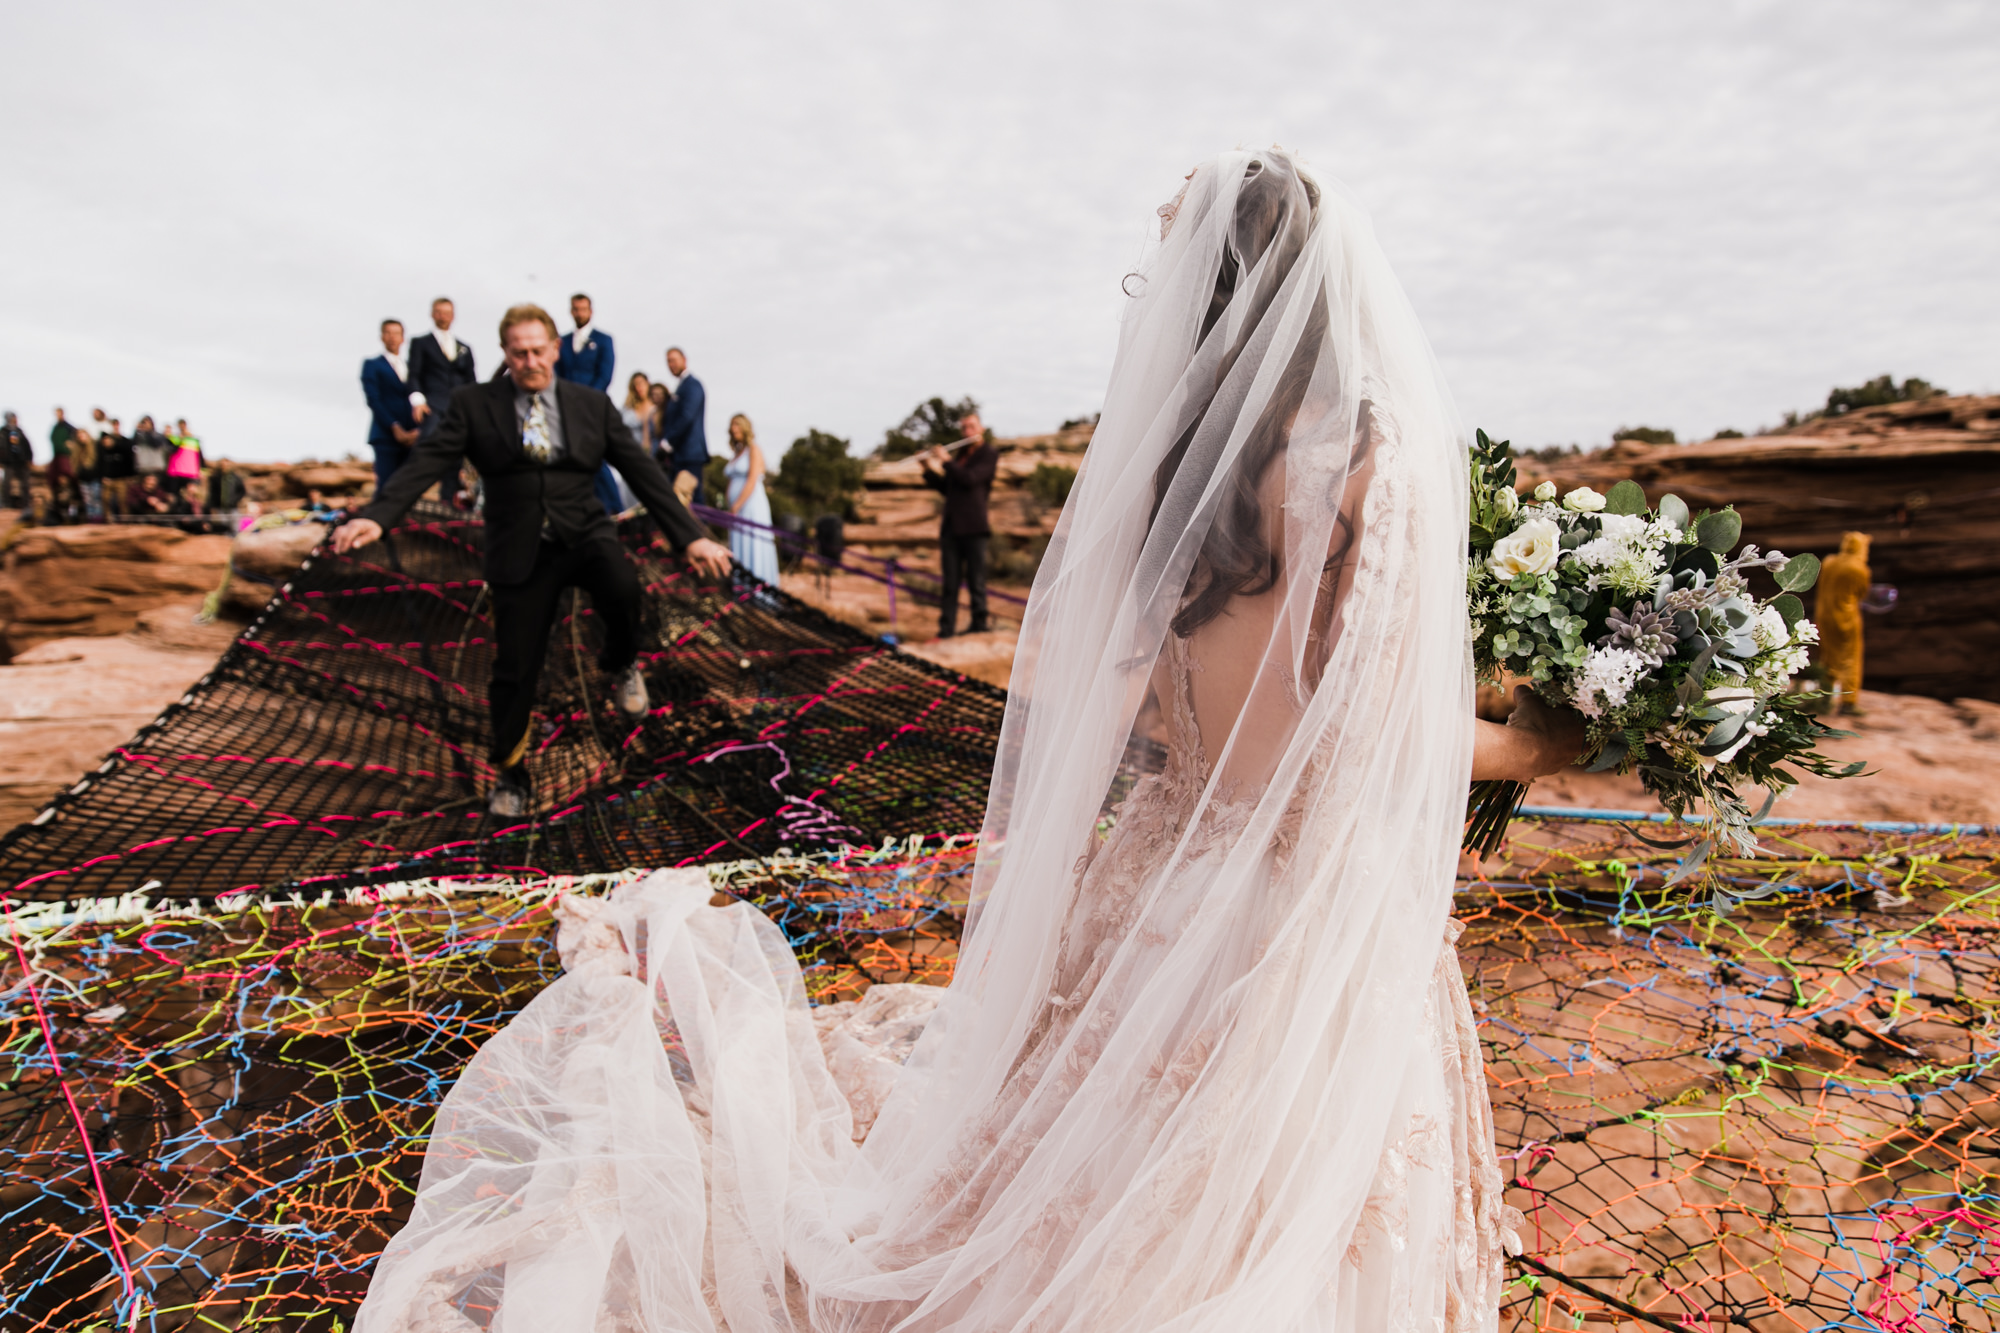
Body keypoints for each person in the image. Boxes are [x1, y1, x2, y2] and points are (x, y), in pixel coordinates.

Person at [357, 151, 1586, 1333]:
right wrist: (1539, 748)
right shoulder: (1369, 465)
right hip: (1296, 921)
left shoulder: (1168, 476)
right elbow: (1370, 732)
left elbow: (1146, 715)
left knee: (1085, 1167)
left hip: (1155, 886)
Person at [331, 302, 731, 819]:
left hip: (586, 533)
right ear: (506, 354)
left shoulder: (590, 404)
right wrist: (378, 517)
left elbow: (641, 470)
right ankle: (512, 775)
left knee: (623, 586)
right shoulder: (474, 405)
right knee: (515, 668)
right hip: (519, 551)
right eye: (518, 353)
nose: (529, 361)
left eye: (538, 350)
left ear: (554, 349)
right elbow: (430, 458)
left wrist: (691, 538)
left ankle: (620, 663)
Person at [919, 409, 998, 636]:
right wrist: (927, 468)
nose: (967, 431)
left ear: (981, 429)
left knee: (976, 580)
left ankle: (979, 623)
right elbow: (948, 489)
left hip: (974, 527)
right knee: (950, 583)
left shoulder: (988, 454)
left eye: (971, 426)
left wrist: (945, 461)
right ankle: (946, 628)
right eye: (964, 427)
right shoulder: (960, 456)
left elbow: (970, 479)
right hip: (952, 527)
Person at [554, 292, 624, 516]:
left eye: (583, 309)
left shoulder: (604, 340)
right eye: (576, 309)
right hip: (565, 407)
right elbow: (556, 374)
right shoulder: (561, 342)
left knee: (596, 455)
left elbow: (605, 375)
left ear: (590, 311)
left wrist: (585, 401)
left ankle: (614, 508)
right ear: (571, 311)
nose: (579, 313)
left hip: (592, 408)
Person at [408, 297, 478, 507]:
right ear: (432, 314)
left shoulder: (464, 347)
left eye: (447, 312)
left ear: (453, 315)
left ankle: (448, 505)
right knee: (424, 451)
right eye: (439, 312)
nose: (443, 316)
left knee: (455, 458)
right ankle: (409, 499)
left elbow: (471, 381)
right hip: (433, 407)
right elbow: (414, 375)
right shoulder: (420, 343)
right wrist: (418, 401)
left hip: (459, 410)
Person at [361, 318, 420, 491]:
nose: (392, 337)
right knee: (386, 487)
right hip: (386, 436)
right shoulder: (372, 365)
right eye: (388, 333)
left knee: (409, 487)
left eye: (396, 333)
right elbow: (374, 399)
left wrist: (418, 430)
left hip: (413, 436)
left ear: (403, 338)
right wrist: (394, 427)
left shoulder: (413, 367)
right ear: (382, 337)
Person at [1815, 530, 1871, 714]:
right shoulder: (1859, 569)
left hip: (1824, 614)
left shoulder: (1829, 562)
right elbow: (1862, 593)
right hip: (1846, 617)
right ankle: (1848, 701)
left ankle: (1824, 698)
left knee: (1828, 657)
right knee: (1850, 658)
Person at [722, 412, 780, 583]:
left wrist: (736, 506)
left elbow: (752, 480)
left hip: (751, 505)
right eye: (732, 425)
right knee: (738, 546)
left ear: (745, 427)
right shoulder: (737, 453)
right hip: (735, 508)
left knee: (753, 544)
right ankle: (741, 587)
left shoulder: (754, 449)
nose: (733, 429)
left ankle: (758, 590)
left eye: (737, 425)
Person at [656, 344, 708, 509]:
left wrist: (667, 442)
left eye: (673, 360)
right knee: (678, 500)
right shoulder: (680, 386)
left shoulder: (692, 385)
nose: (671, 365)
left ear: (684, 360)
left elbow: (686, 416)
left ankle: (701, 534)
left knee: (694, 499)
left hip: (689, 453)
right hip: (679, 455)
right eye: (668, 362)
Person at [98, 418, 135, 515]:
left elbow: (129, 461)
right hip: (107, 480)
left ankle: (125, 521)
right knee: (105, 500)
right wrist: (102, 476)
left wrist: (130, 476)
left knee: (123, 501)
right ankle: (109, 521)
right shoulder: (102, 448)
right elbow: (100, 464)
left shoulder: (124, 443)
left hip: (121, 479)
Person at [165, 419, 204, 512]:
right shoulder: (173, 438)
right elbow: (170, 450)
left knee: (192, 496)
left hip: (190, 473)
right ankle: (174, 516)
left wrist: (202, 471)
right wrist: (180, 439)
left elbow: (200, 457)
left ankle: (192, 517)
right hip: (175, 472)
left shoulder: (194, 439)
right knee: (174, 496)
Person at [0, 412, 30, 509]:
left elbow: (26, 445)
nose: (15, 420)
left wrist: (29, 458)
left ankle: (26, 504)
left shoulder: (19, 431)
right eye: (13, 418)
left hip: (21, 461)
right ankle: (6, 504)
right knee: (6, 484)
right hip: (8, 461)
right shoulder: (3, 432)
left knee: (25, 484)